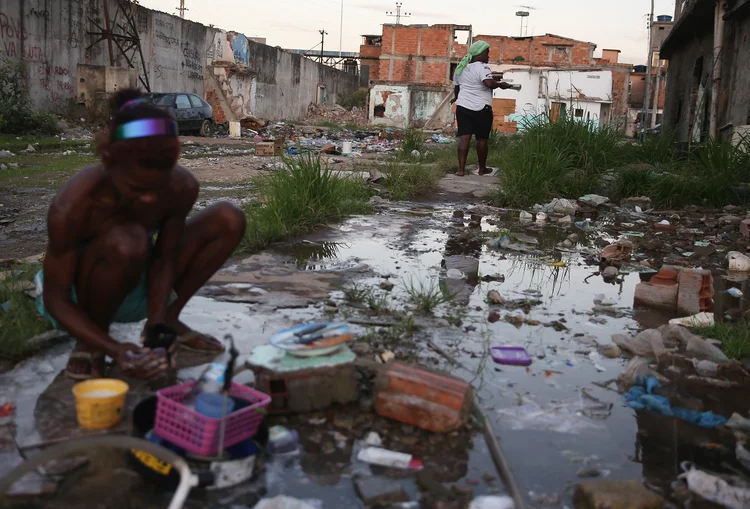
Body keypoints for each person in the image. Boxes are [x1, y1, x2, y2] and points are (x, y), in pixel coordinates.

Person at [34, 88, 247, 379]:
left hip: (138, 274)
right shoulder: (76, 204)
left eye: (159, 186)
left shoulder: (181, 187)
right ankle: (92, 338)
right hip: (79, 294)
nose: (149, 199)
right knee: (129, 240)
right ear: (108, 161)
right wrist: (115, 349)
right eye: (137, 189)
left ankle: (169, 321)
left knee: (228, 218)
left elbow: (165, 257)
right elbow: (55, 299)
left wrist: (157, 327)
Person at [452, 41, 513, 177]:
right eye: (487, 53)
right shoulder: (483, 67)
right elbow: (488, 83)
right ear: (479, 54)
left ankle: (461, 170)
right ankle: (482, 169)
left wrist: (458, 100)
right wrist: (500, 84)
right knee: (481, 139)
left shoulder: (460, 68)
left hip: (463, 107)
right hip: (481, 109)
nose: (488, 56)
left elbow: (457, 88)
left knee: (464, 138)